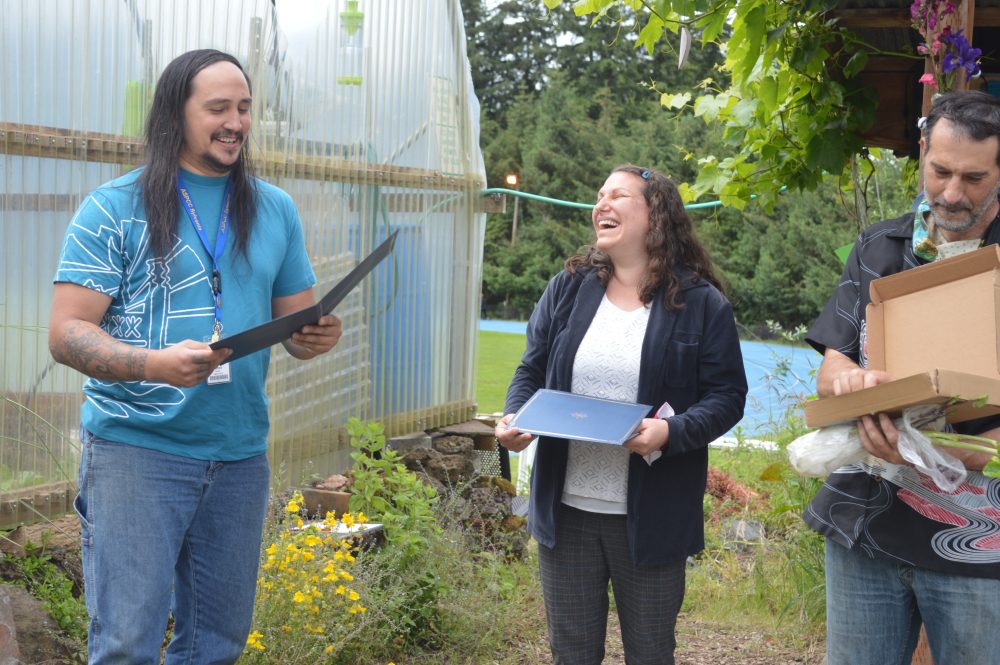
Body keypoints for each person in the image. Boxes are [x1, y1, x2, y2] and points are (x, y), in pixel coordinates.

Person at [48, 49, 342, 664]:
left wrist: (313, 337)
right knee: (128, 644)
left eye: (244, 108)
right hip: (136, 452)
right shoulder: (114, 206)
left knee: (216, 643)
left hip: (238, 454)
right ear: (175, 114)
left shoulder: (274, 208)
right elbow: (67, 332)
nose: (235, 122)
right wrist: (152, 364)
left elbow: (295, 323)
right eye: (218, 109)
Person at [495, 165, 747, 665]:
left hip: (651, 518)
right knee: (572, 654)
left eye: (618, 195)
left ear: (656, 214)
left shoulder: (701, 304)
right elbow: (532, 369)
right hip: (566, 515)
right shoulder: (567, 288)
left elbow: (726, 397)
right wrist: (514, 416)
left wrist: (670, 432)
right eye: (599, 195)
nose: (601, 204)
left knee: (651, 653)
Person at [805, 90, 1000, 665]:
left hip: (980, 539)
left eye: (974, 177)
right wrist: (845, 384)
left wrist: (977, 449)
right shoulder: (879, 248)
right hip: (867, 526)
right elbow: (833, 360)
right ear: (920, 151)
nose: (951, 193)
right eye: (939, 171)